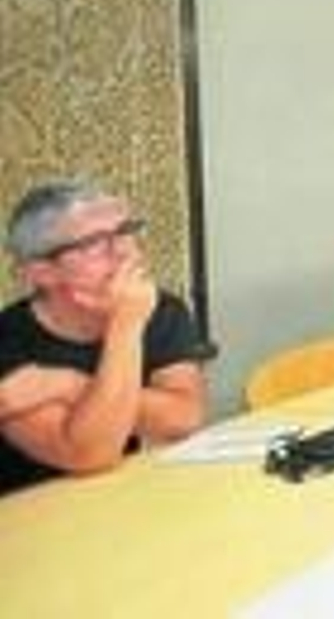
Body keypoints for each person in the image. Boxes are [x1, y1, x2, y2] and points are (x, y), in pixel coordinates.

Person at [0, 180, 207, 494]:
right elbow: (90, 455)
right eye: (96, 242)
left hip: (112, 499)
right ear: (42, 273)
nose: (125, 251)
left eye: (126, 231)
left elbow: (183, 418)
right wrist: (125, 325)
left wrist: (71, 385)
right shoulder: (9, 339)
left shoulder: (157, 309)